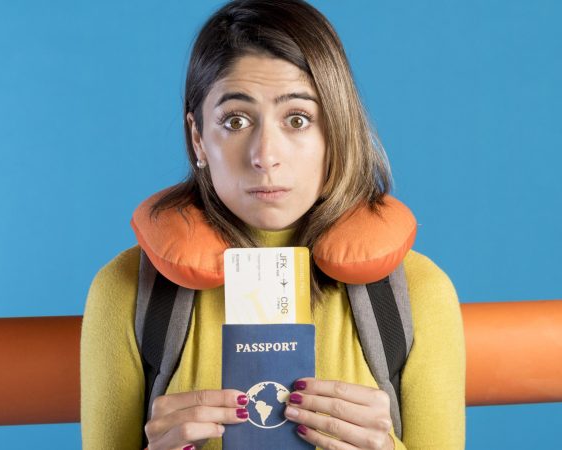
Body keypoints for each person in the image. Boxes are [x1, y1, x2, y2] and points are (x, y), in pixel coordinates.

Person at [80, 1, 466, 449]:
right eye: (236, 120)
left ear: (335, 132)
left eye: (298, 119)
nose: (265, 155)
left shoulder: (415, 294)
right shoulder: (128, 291)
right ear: (198, 139)